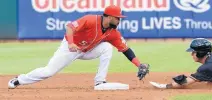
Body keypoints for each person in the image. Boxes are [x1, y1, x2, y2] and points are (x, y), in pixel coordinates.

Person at [8, 5, 149, 90]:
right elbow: (70, 27)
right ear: (109, 17)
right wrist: (70, 43)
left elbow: (125, 50)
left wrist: (139, 64)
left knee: (107, 47)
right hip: (70, 48)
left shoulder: (113, 32)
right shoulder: (90, 19)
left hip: (88, 50)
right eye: (117, 17)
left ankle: (100, 81)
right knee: (48, 71)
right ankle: (19, 79)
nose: (119, 20)